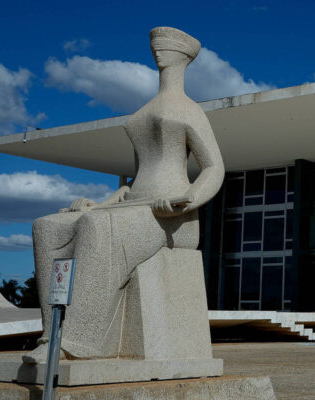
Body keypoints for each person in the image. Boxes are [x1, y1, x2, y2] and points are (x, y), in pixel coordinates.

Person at [23, 27, 225, 363]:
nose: (157, 51)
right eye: (155, 46)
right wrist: (103, 202)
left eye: (165, 46)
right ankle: (51, 334)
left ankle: (76, 340)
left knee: (97, 228)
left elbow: (214, 168)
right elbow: (137, 176)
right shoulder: (145, 110)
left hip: (171, 217)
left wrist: (186, 200)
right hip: (134, 205)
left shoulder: (190, 110)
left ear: (184, 55)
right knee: (47, 227)